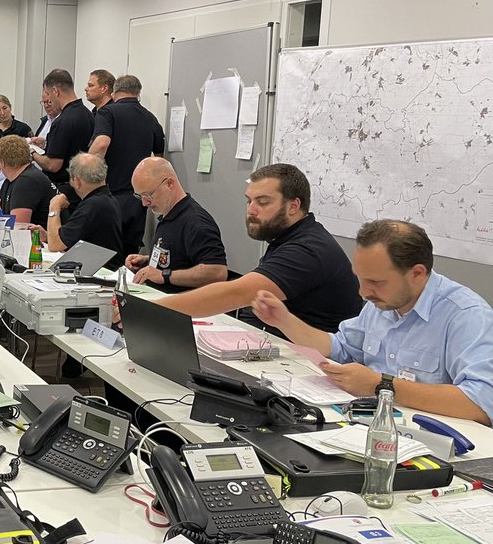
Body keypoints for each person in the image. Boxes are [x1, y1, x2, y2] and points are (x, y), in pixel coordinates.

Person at [252, 220, 493, 425]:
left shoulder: (465, 315)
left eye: (376, 282)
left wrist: (381, 386)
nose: (363, 292)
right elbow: (339, 348)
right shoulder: (384, 302)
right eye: (360, 278)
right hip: (374, 423)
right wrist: (284, 320)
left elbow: (481, 402)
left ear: (417, 273)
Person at [154, 164, 361, 337]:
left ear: (293, 206)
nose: (251, 210)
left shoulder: (308, 249)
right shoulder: (288, 237)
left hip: (307, 365)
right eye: (249, 201)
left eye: (262, 202)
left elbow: (236, 293)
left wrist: (152, 311)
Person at [125, 157, 228, 291]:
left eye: (148, 195)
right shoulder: (169, 215)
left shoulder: (196, 222)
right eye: (140, 196)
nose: (144, 203)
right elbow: (181, 257)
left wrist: (164, 275)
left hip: (181, 305)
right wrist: (149, 261)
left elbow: (217, 272)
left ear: (169, 184)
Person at [90, 74, 165, 255]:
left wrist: (85, 169)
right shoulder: (150, 118)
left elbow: (101, 143)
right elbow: (159, 157)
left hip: (110, 194)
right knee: (128, 254)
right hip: (137, 199)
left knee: (103, 253)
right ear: (138, 93)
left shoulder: (107, 113)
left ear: (114, 93)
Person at [41, 153, 124, 266]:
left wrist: (54, 206)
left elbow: (55, 245)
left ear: (77, 182)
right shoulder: (104, 200)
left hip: (99, 271)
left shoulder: (93, 206)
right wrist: (48, 236)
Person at [36, 68, 95, 195]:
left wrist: (31, 152)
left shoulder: (62, 121)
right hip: (84, 187)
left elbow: (53, 165)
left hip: (63, 190)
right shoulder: (88, 115)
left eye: (49, 95)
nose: (49, 102)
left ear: (55, 91)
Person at [0, 134, 56, 226]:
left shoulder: (26, 181)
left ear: (2, 162)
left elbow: (19, 227)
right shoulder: (11, 179)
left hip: (43, 238)